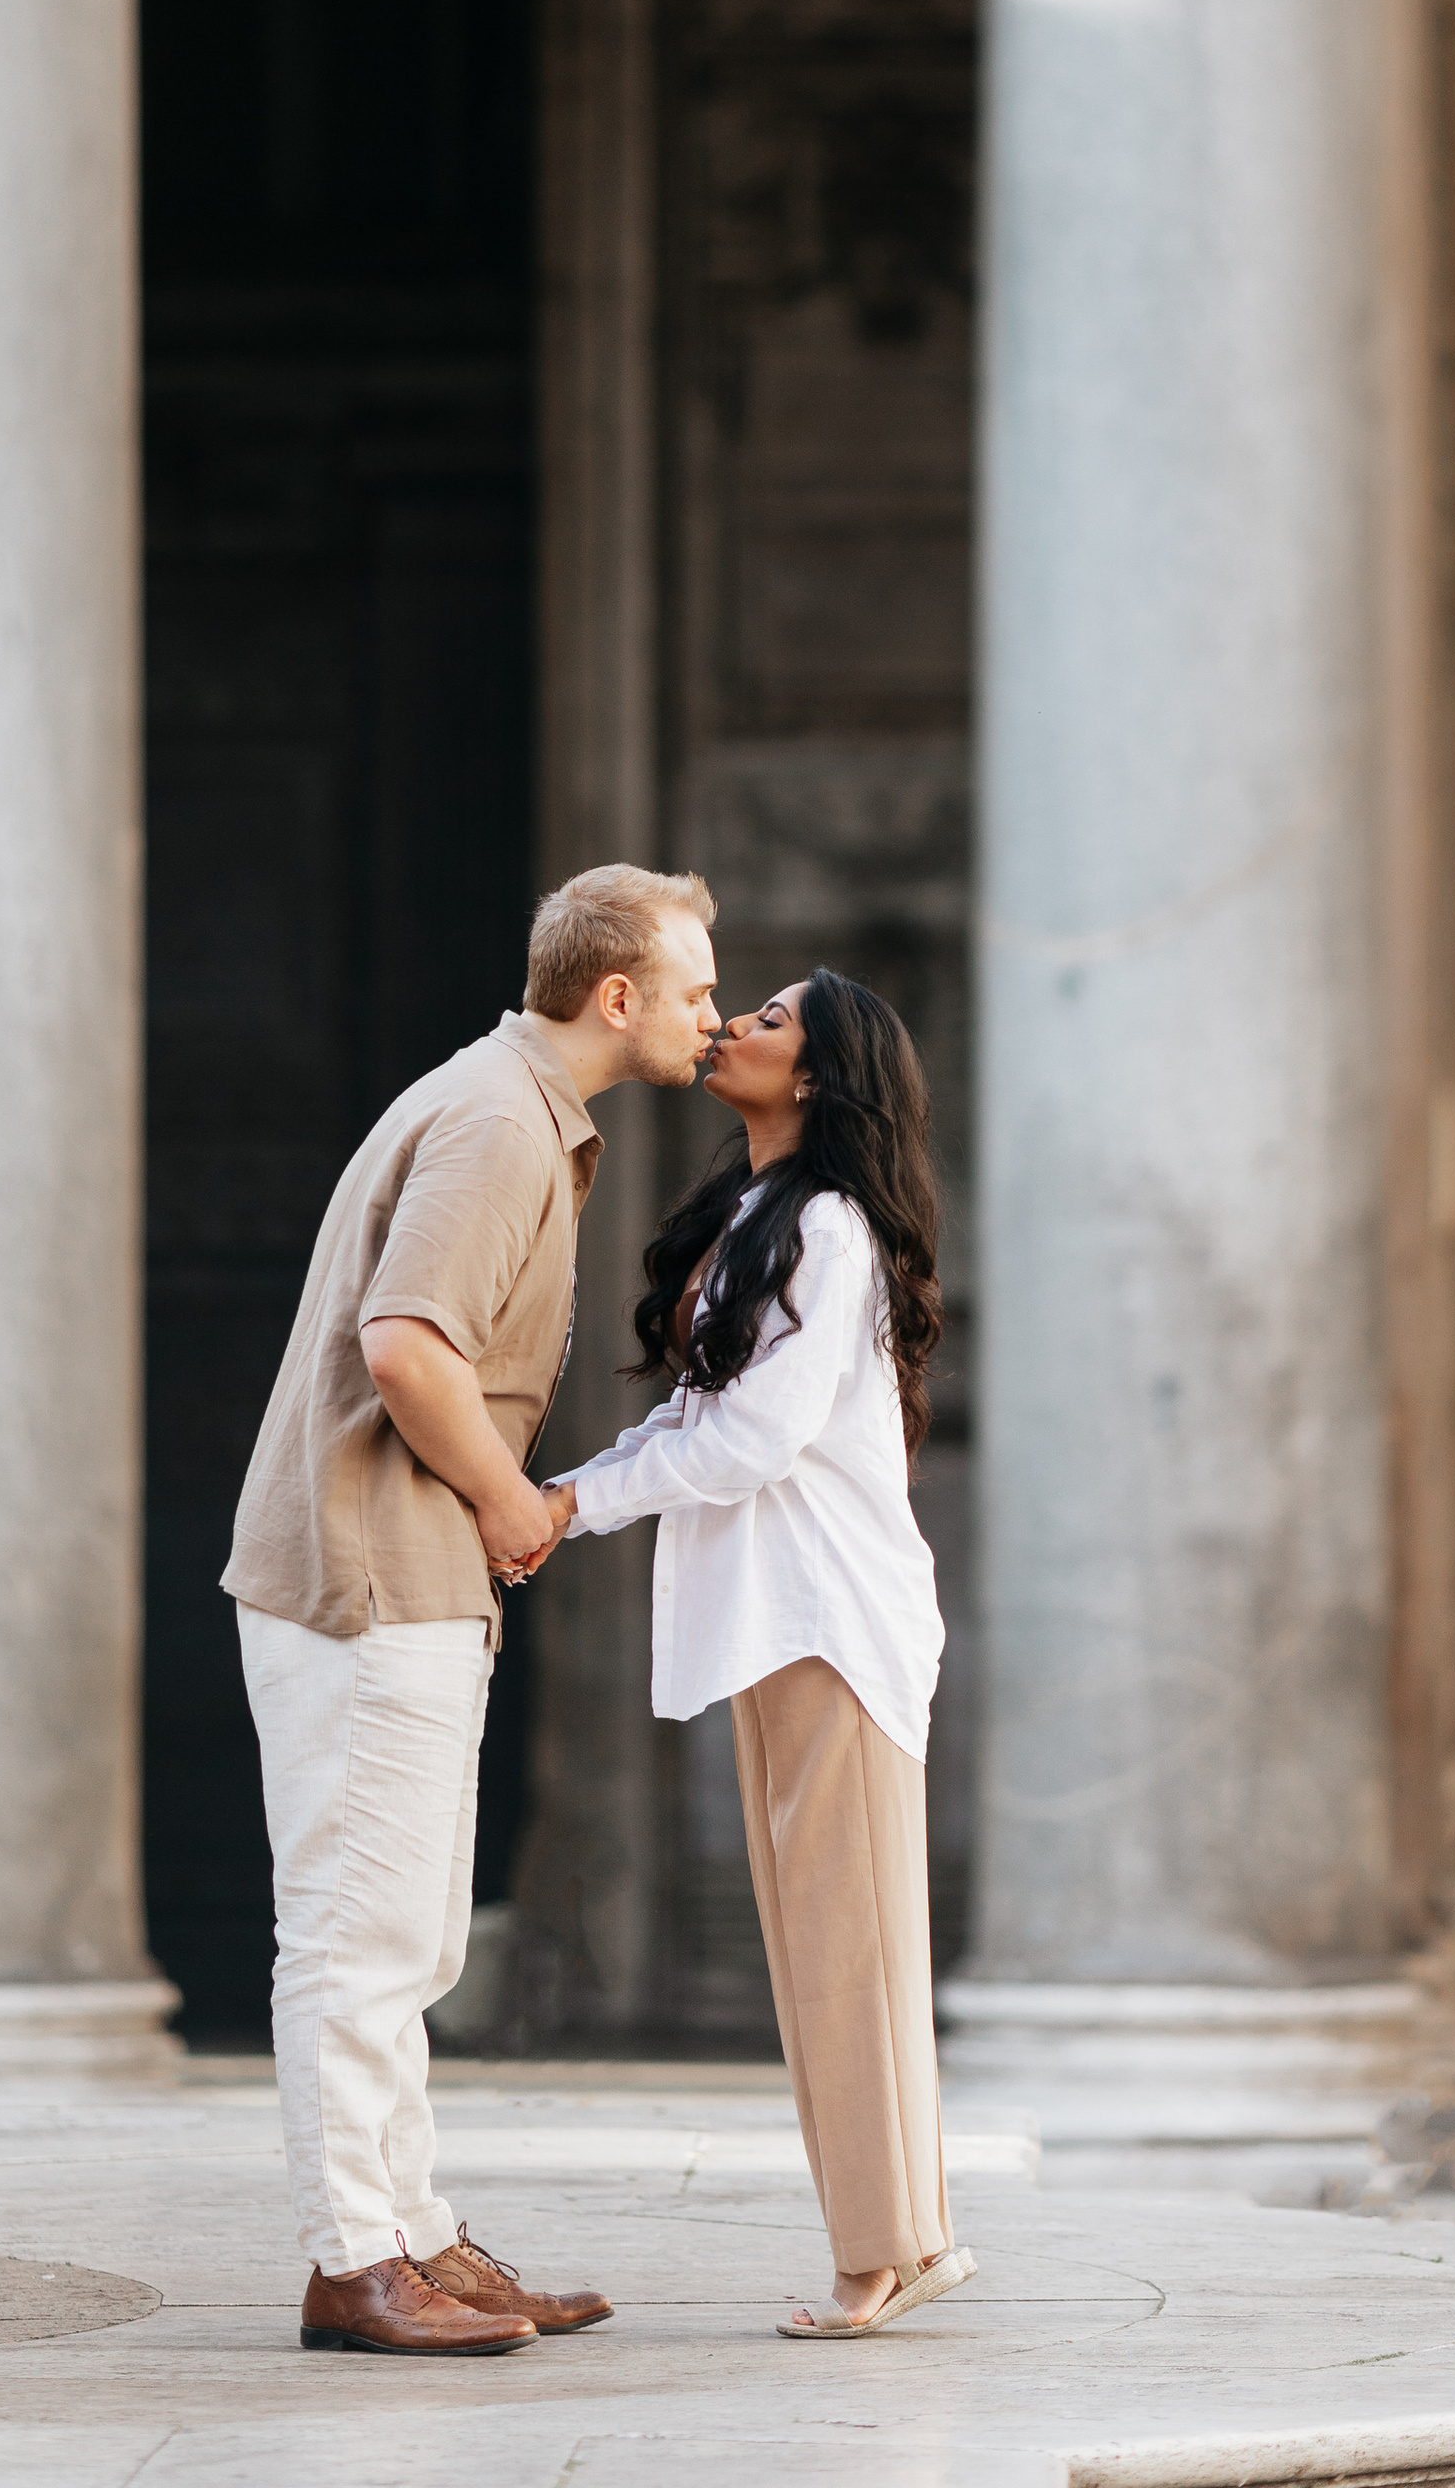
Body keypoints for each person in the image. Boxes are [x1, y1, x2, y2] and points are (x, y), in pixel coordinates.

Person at [221, 861, 722, 2361]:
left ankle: (415, 2235)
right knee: (355, 1937)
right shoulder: (502, 1124)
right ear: (618, 995)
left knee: (412, 1936)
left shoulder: (510, 1107)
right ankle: (352, 2263)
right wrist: (513, 1499)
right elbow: (407, 1349)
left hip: (402, 1575)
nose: (712, 1015)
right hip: (374, 1575)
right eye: (696, 989)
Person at [520, 966, 972, 2339]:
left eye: (770, 1019)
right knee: (831, 1934)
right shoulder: (757, 1213)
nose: (732, 1026)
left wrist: (573, 1504)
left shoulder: (828, 1226)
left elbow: (761, 1437)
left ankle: (880, 2252)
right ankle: (910, 2237)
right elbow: (693, 1417)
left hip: (829, 1615)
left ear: (823, 1075)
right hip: (783, 1614)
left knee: (846, 1939)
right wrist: (563, 1500)